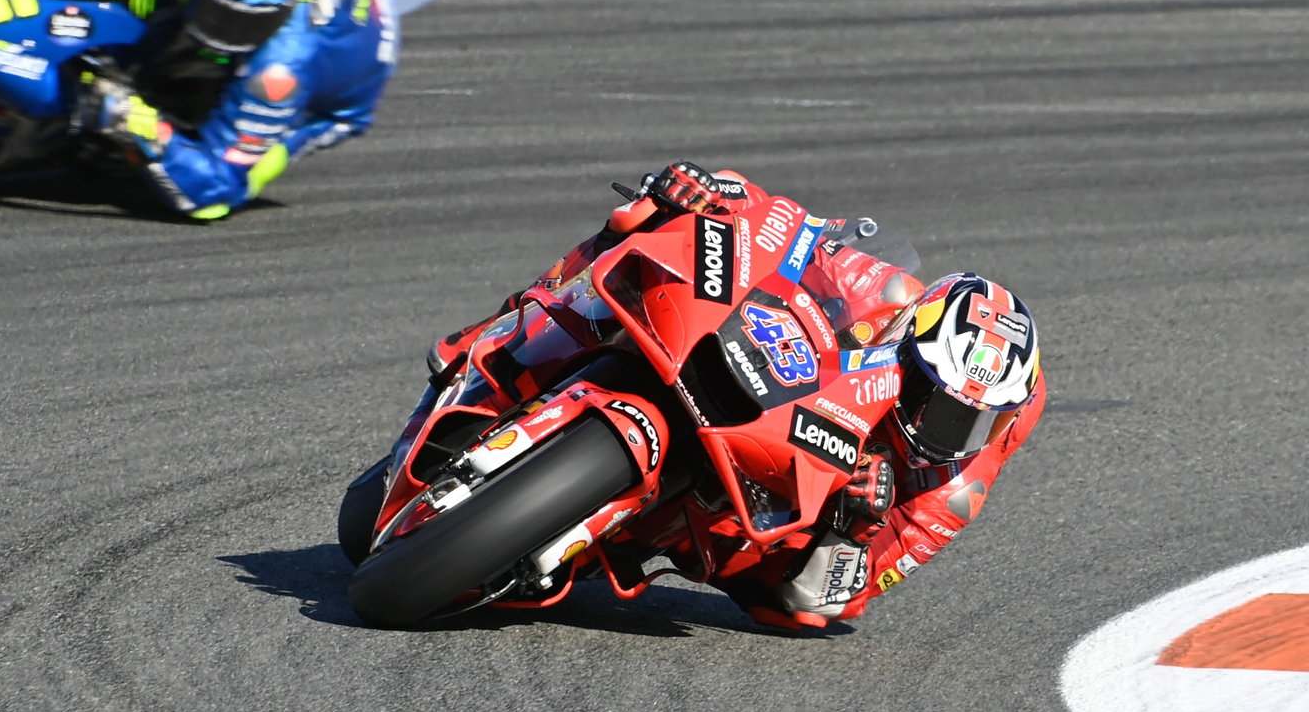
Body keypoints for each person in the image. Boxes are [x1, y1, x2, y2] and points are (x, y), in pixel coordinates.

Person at [421, 162, 1048, 629]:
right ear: (907, 341)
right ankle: (501, 330)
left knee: (791, 617)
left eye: (974, 421)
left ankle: (623, 526)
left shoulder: (957, 482)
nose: (950, 434)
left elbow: (836, 598)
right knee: (645, 218)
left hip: (783, 503)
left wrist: (852, 534)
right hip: (773, 382)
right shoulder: (885, 294)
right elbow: (792, 230)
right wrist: (719, 196)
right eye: (942, 407)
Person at [73, 0, 399, 220]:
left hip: (340, 83)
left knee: (225, 192)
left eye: (247, 22)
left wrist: (138, 125)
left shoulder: (279, 73)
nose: (226, 34)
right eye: (217, 13)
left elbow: (213, 193)